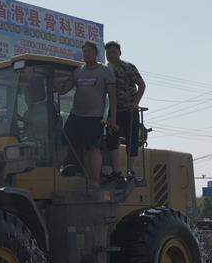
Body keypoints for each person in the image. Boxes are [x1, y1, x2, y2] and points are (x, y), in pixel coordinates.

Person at [55, 40, 117, 187]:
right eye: (84, 52)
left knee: (93, 149)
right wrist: (54, 81)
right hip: (76, 115)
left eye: (89, 51)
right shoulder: (78, 72)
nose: (86, 54)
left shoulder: (105, 71)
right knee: (64, 144)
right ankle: (53, 173)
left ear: (95, 53)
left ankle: (94, 181)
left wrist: (112, 118)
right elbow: (63, 90)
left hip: (94, 117)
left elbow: (113, 97)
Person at [104, 41, 146, 182]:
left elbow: (141, 85)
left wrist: (135, 103)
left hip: (129, 110)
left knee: (132, 140)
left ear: (120, 53)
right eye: (108, 52)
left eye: (113, 52)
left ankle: (131, 170)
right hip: (113, 111)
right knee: (111, 140)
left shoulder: (128, 67)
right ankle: (117, 171)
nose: (110, 55)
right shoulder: (106, 69)